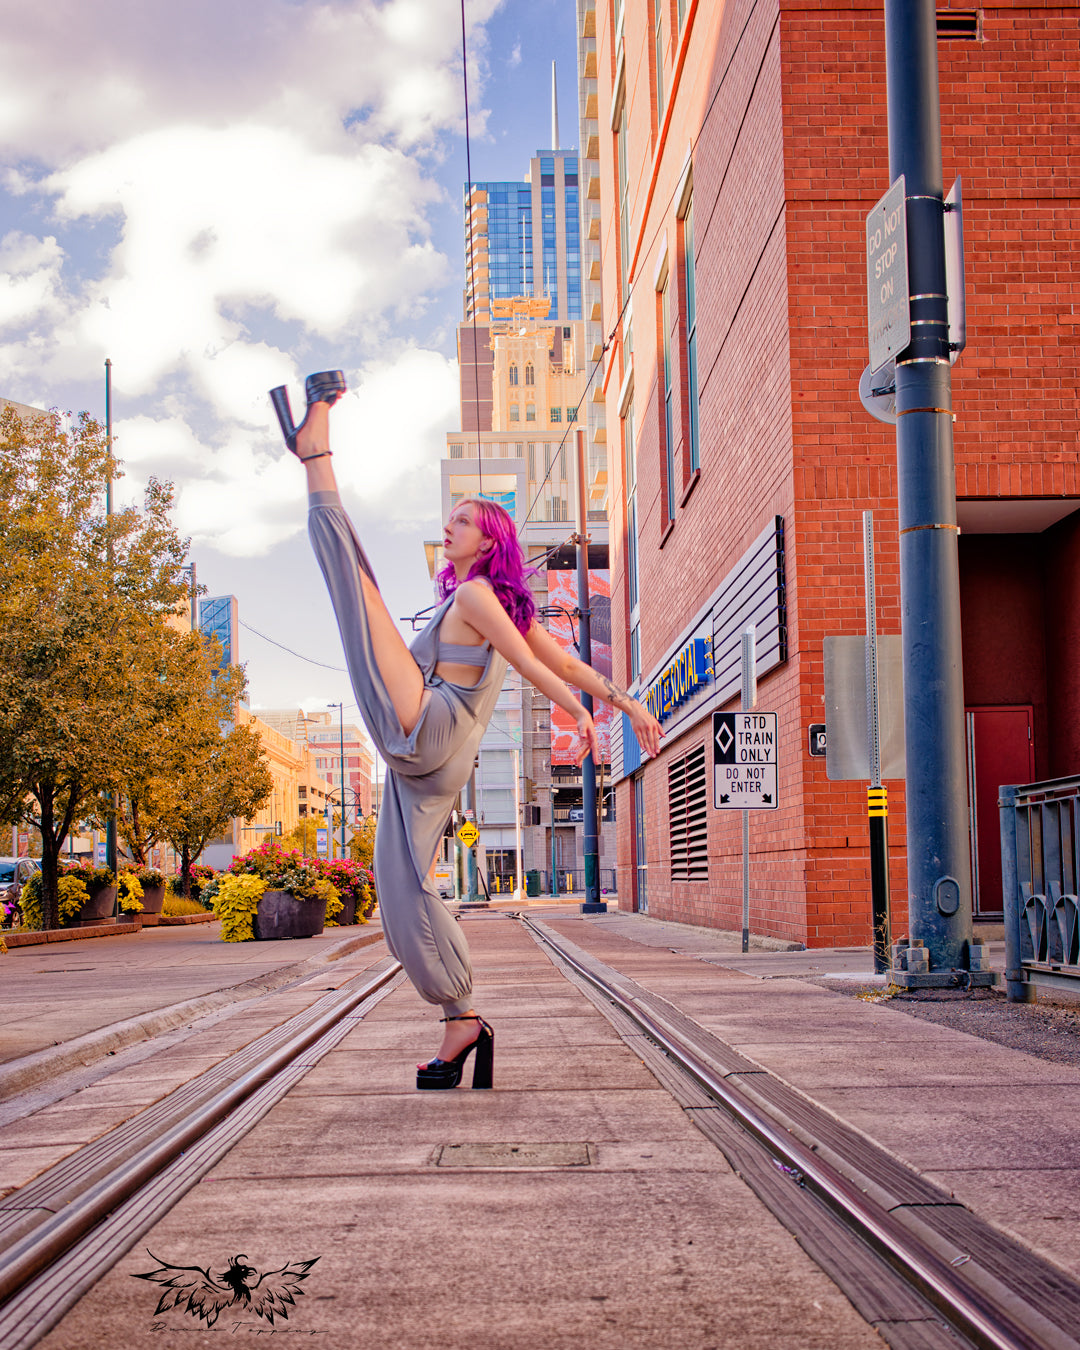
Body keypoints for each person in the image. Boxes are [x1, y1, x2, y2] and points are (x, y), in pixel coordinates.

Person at [270, 372, 662, 1090]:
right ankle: (461, 1016)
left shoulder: (479, 596)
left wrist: (583, 715)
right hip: (430, 753)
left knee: (356, 592)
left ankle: (316, 450)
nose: (446, 527)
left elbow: (534, 669)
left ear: (486, 543)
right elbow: (563, 659)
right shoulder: (494, 601)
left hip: (429, 727)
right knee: (400, 887)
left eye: (460, 521)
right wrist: (624, 701)